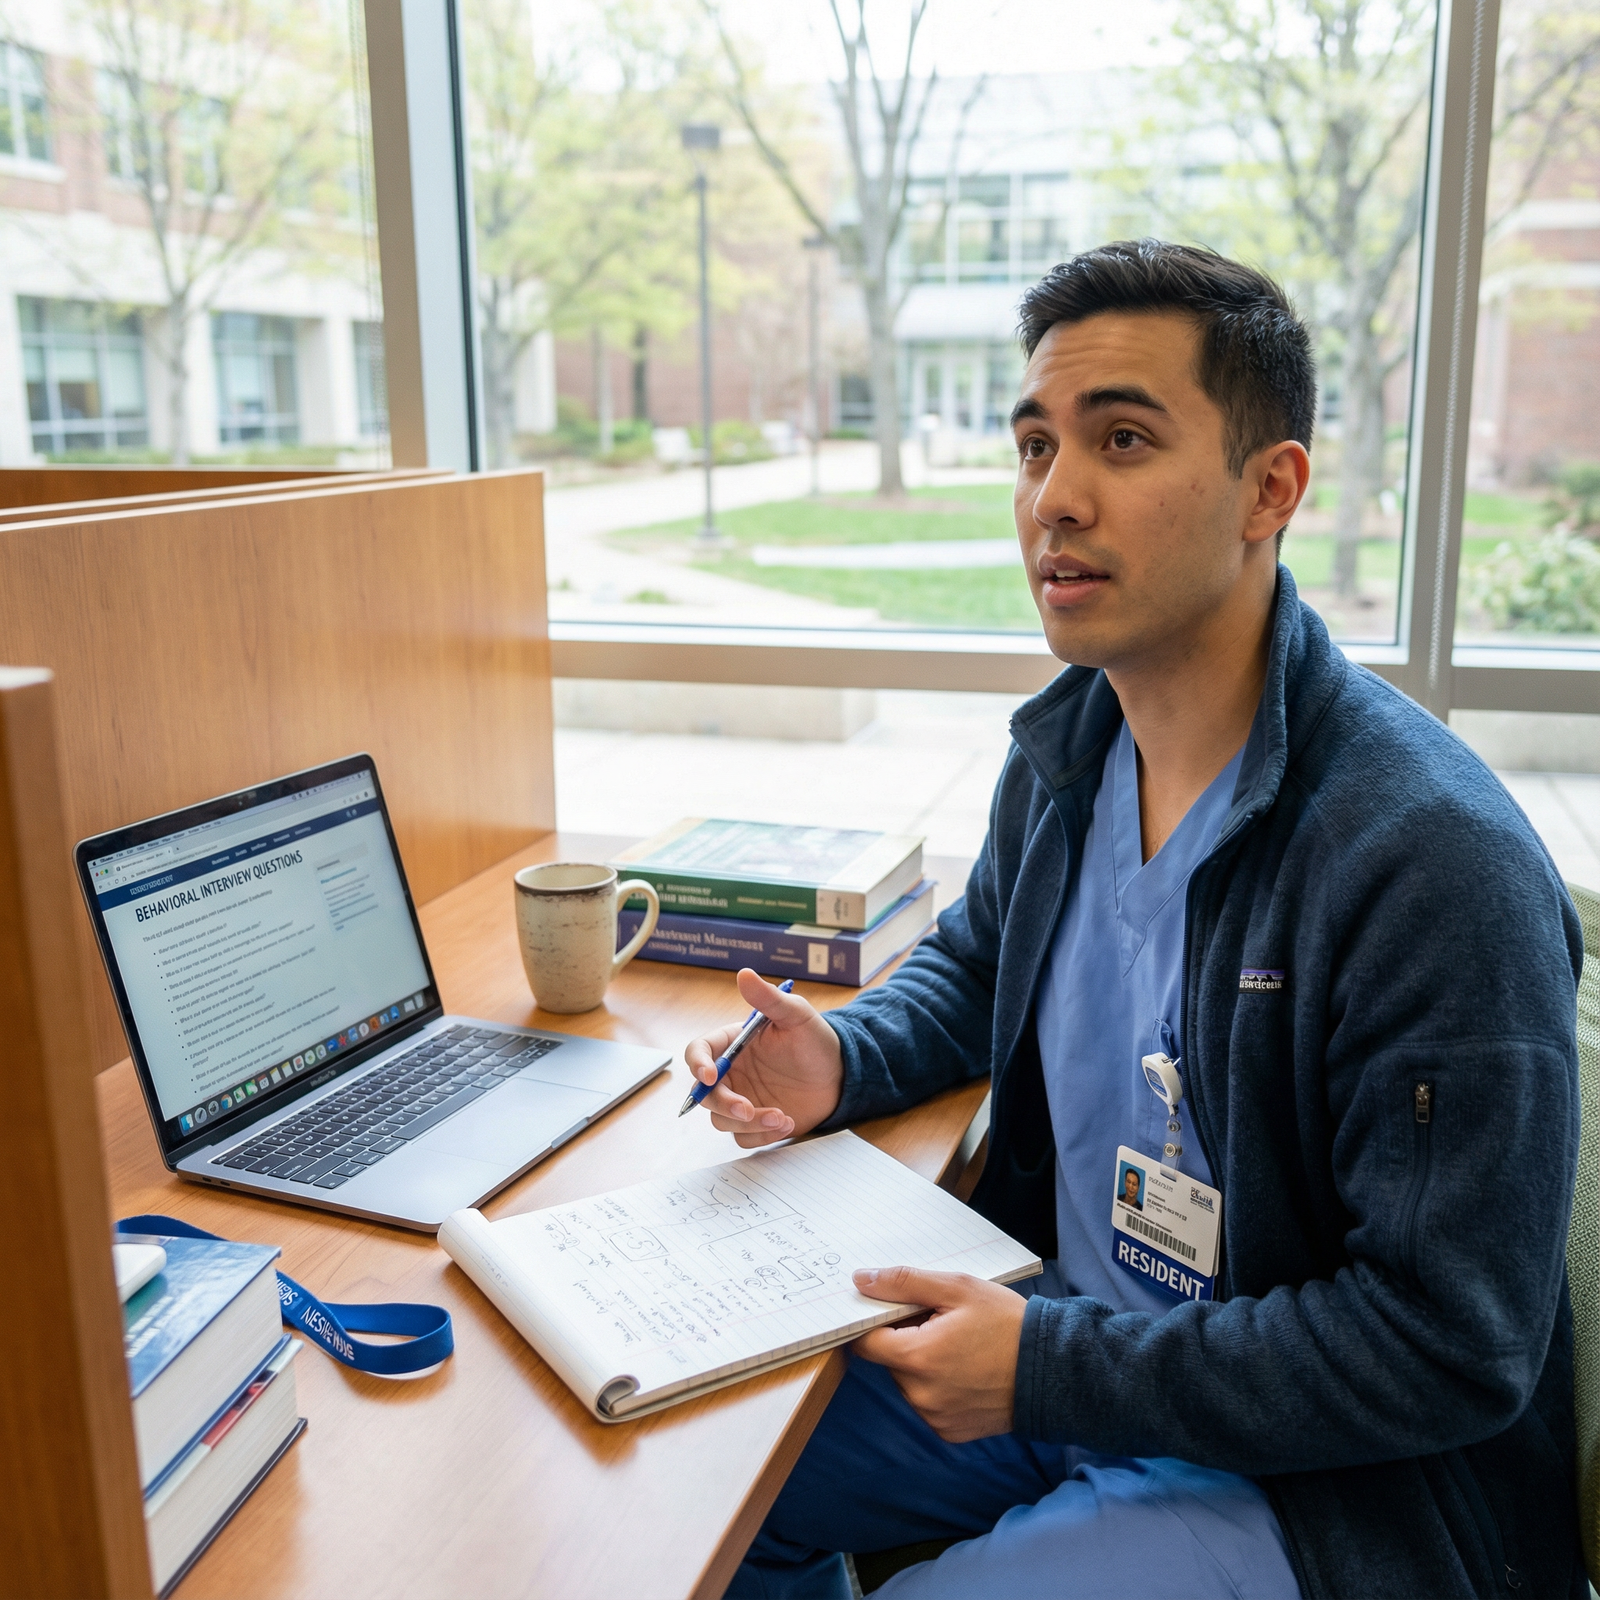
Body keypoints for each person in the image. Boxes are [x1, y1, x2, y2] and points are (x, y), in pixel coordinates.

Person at [690, 239, 1585, 1598]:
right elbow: (981, 959)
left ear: (1268, 489)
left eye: (1121, 439)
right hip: (1083, 1351)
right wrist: (848, 1057)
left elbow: (1448, 1345)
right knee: (705, 1481)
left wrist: (1047, 1364)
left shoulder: (1428, 865)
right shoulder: (1073, 753)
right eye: (1036, 446)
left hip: (1320, 1489)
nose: (1056, 498)